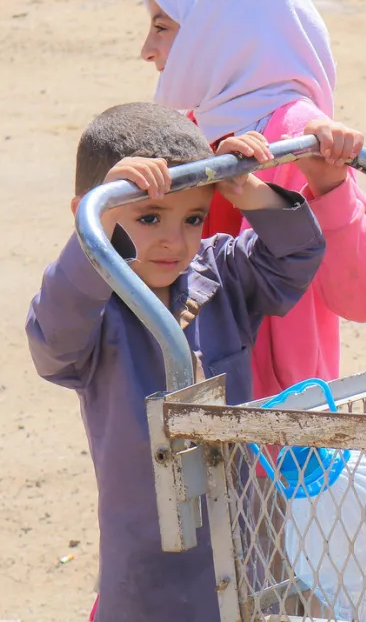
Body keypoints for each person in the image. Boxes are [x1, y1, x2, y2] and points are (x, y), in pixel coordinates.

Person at [25, 102, 341, 622]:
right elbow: (51, 343)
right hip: (150, 568)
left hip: (247, 543)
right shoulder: (93, 303)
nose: (176, 240)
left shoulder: (220, 271)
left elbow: (295, 262)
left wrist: (249, 191)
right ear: (90, 214)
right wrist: (93, 237)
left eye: (193, 216)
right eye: (148, 218)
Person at [138, 0, 366, 398]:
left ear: (214, 30)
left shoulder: (298, 136)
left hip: (278, 433)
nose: (147, 49)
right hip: (202, 408)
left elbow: (362, 299)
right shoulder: (193, 130)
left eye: (162, 27)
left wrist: (330, 186)